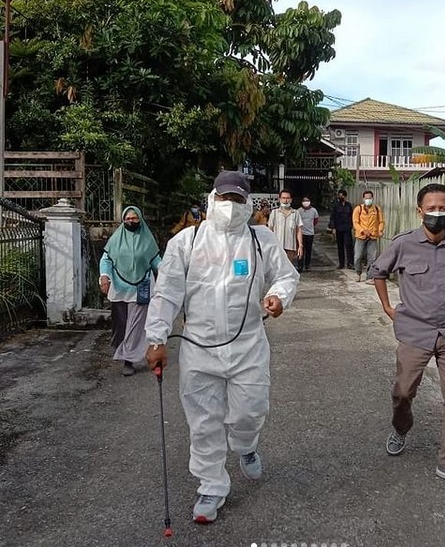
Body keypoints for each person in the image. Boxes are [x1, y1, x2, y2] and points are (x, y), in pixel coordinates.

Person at [144, 171, 299, 524]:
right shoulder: (187, 241)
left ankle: (245, 446)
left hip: (248, 347)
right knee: (204, 422)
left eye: (238, 200)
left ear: (248, 204)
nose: (230, 206)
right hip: (199, 349)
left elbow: (287, 275)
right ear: (212, 198)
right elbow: (167, 292)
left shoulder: (262, 240)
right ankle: (211, 485)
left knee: (250, 412)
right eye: (224, 198)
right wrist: (156, 338)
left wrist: (278, 296)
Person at [370, 183, 445, 488]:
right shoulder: (404, 243)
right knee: (403, 392)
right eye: (431, 208)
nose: (437, 213)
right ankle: (401, 428)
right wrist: (387, 306)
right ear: (419, 211)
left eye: (443, 208)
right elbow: (378, 271)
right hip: (414, 332)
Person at [99, 206, 161, 376]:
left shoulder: (148, 240)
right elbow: (106, 259)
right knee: (122, 324)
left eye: (134, 219)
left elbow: (156, 261)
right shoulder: (116, 239)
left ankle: (129, 359)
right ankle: (125, 353)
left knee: (136, 324)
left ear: (140, 219)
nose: (131, 221)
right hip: (120, 288)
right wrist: (104, 276)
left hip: (141, 287)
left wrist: (166, 272)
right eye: (127, 219)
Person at [353, 190, 385, 284]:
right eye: (366, 198)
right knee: (358, 256)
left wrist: (380, 230)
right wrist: (363, 230)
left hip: (373, 236)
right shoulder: (358, 209)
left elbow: (381, 221)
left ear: (372, 198)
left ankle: (370, 277)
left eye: (370, 198)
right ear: (363, 199)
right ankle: (358, 273)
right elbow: (355, 223)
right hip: (361, 236)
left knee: (372, 258)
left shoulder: (377, 209)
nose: (368, 200)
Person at [268, 189, 304, 264]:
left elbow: (299, 230)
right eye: (283, 198)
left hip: (290, 246)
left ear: (291, 200)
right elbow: (270, 230)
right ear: (280, 199)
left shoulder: (296, 213)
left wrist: (300, 245)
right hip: (277, 246)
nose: (285, 200)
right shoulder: (274, 213)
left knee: (289, 268)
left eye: (287, 198)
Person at [328, 189, 354, 269]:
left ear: (345, 196)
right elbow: (332, 217)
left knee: (349, 246)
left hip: (347, 228)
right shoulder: (335, 205)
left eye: (342, 195)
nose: (340, 197)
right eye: (339, 195)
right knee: (340, 247)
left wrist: (352, 226)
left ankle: (350, 263)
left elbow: (351, 216)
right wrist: (333, 228)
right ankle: (341, 263)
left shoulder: (348, 205)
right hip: (339, 228)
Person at [297, 196, 319, 272]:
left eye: (307, 200)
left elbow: (316, 220)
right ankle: (300, 266)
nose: (306, 202)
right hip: (301, 233)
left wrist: (311, 226)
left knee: (309, 250)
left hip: (310, 233)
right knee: (301, 250)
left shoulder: (314, 211)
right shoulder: (299, 211)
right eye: (304, 201)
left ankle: (307, 265)